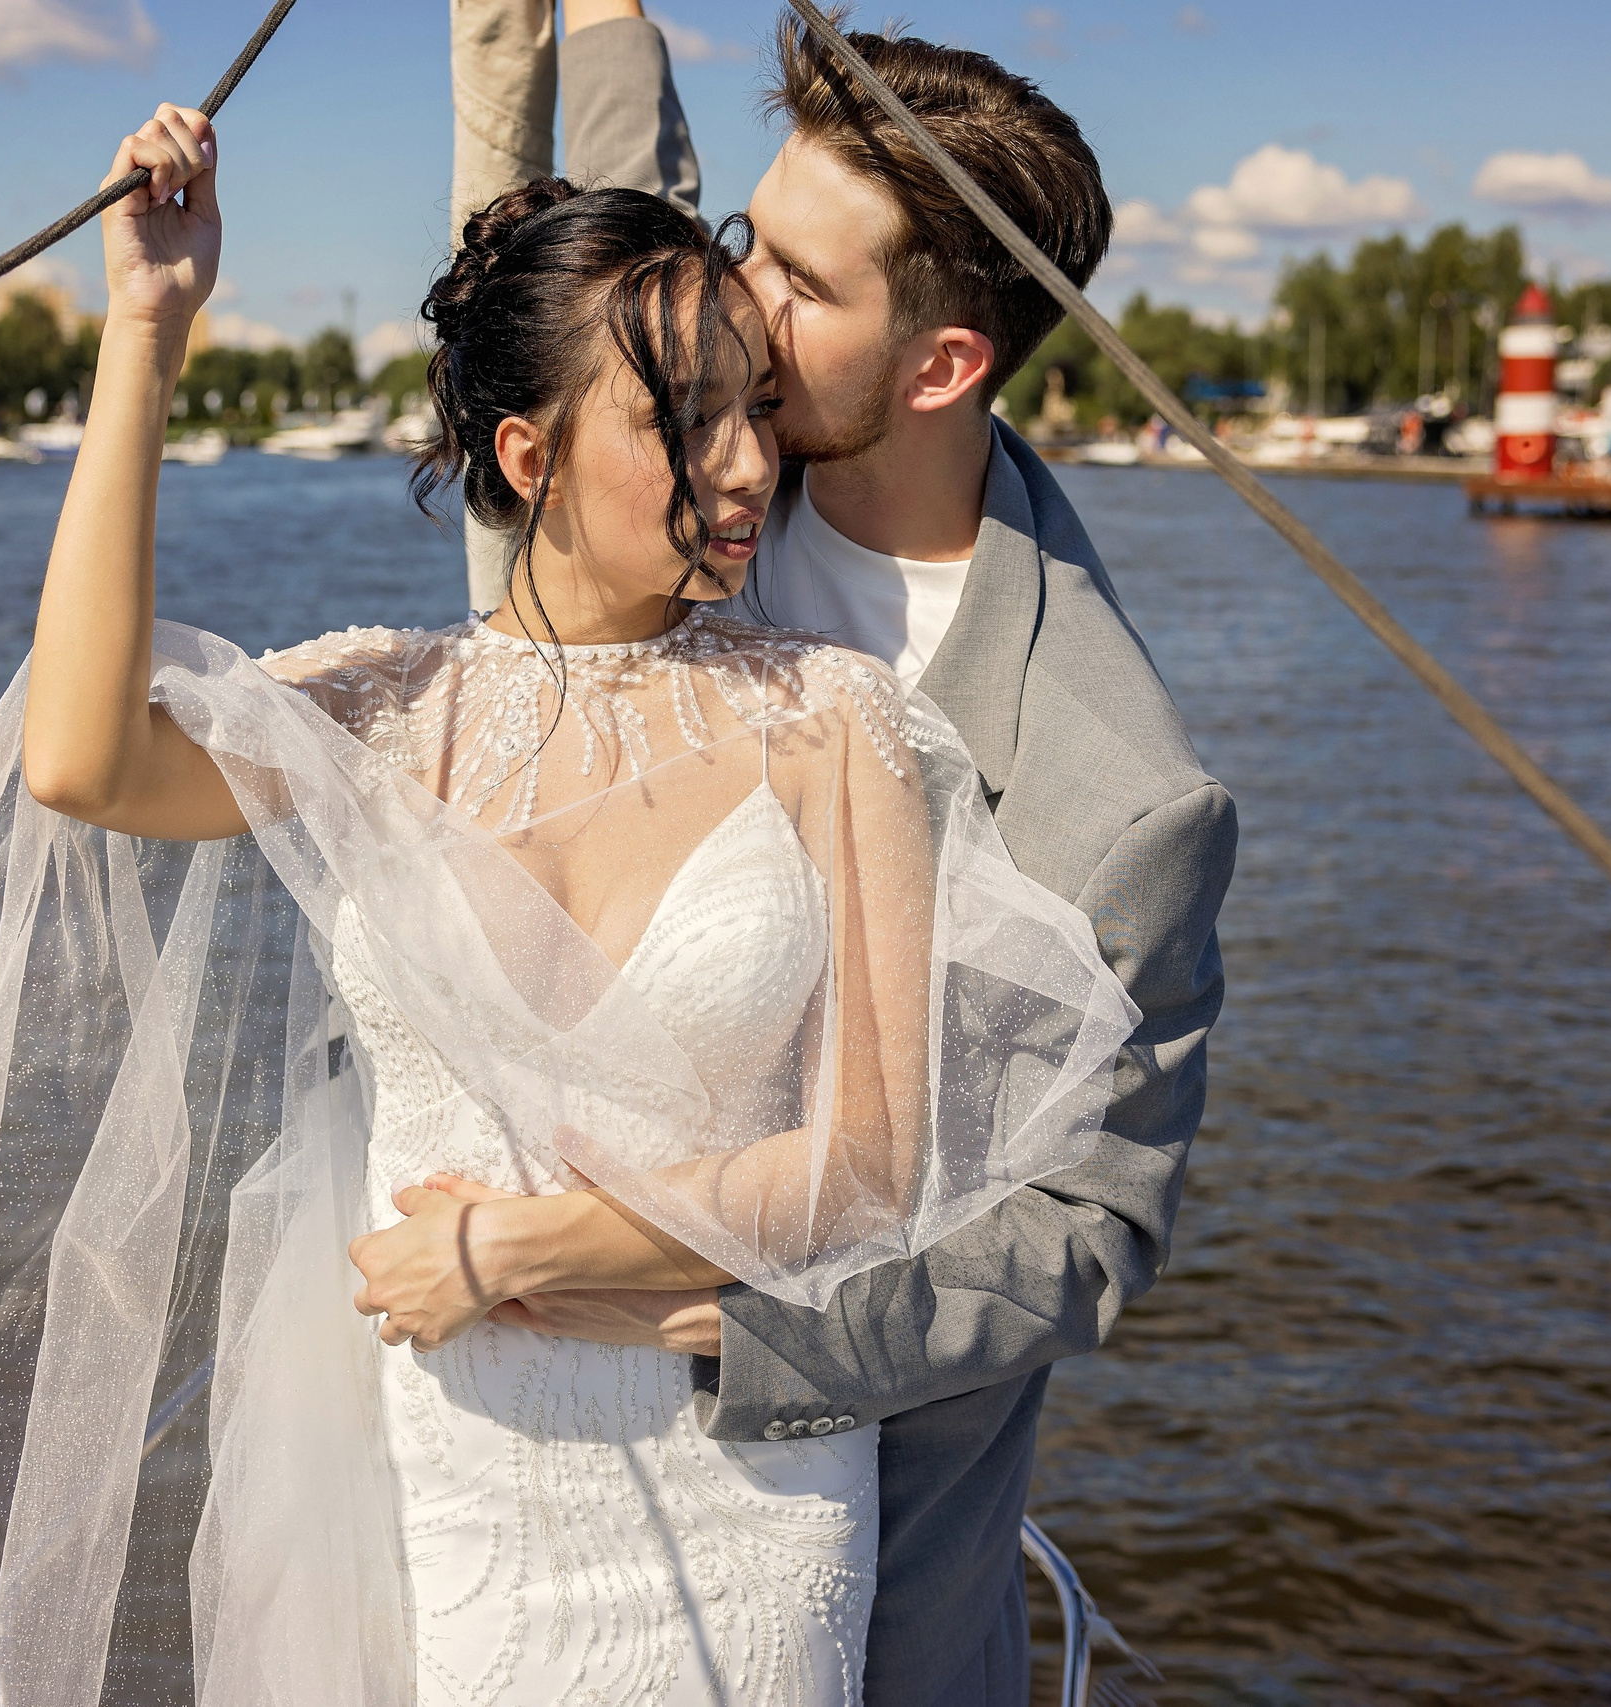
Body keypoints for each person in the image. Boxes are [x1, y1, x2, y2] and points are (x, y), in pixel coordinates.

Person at [0, 105, 1136, 1707]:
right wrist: (144, 328)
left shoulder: (837, 722)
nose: (751, 461)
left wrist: (502, 1249)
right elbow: (79, 761)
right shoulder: (383, 709)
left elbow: (866, 1163)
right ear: (528, 457)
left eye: (756, 408)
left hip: (747, 1494)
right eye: (688, 423)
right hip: (454, 1484)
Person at [397, 9, 1240, 1700]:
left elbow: (1084, 1236)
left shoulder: (1122, 794)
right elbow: (588, 221)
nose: (731, 307)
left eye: (796, 281)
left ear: (939, 366)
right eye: (741, 244)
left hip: (825, 1537)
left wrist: (701, 1319)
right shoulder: (659, 451)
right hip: (476, 1439)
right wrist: (593, 27)